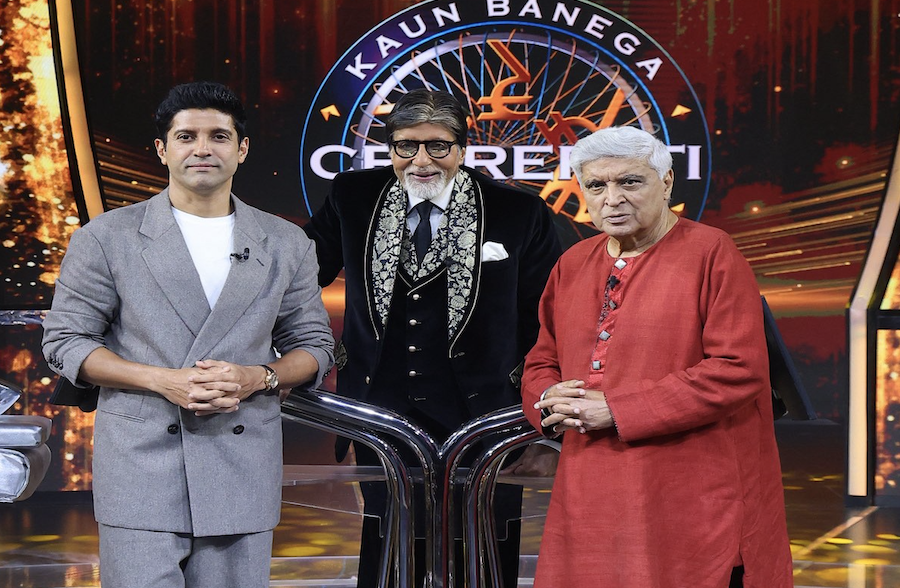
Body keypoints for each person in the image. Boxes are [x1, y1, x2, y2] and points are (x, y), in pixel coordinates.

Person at [42, 81, 334, 588]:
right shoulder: (106, 237)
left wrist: (257, 377)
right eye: (186, 136)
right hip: (140, 464)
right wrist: (162, 380)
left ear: (242, 149)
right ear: (162, 150)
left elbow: (315, 345)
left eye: (219, 136)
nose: (203, 148)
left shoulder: (287, 242)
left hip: (241, 461)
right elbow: (65, 341)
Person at [303, 88, 562, 587]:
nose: (421, 160)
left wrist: (544, 428)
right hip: (378, 414)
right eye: (406, 146)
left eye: (437, 146)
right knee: (388, 549)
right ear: (391, 148)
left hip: (488, 417)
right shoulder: (352, 196)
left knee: (485, 553)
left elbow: (551, 321)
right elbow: (297, 277)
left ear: (462, 149)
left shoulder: (517, 211)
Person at [522, 126, 792, 588]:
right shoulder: (573, 262)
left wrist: (617, 409)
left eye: (630, 182)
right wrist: (548, 398)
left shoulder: (712, 252)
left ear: (666, 183)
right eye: (596, 186)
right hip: (589, 483)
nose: (612, 199)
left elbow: (738, 369)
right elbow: (540, 360)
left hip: (690, 484)